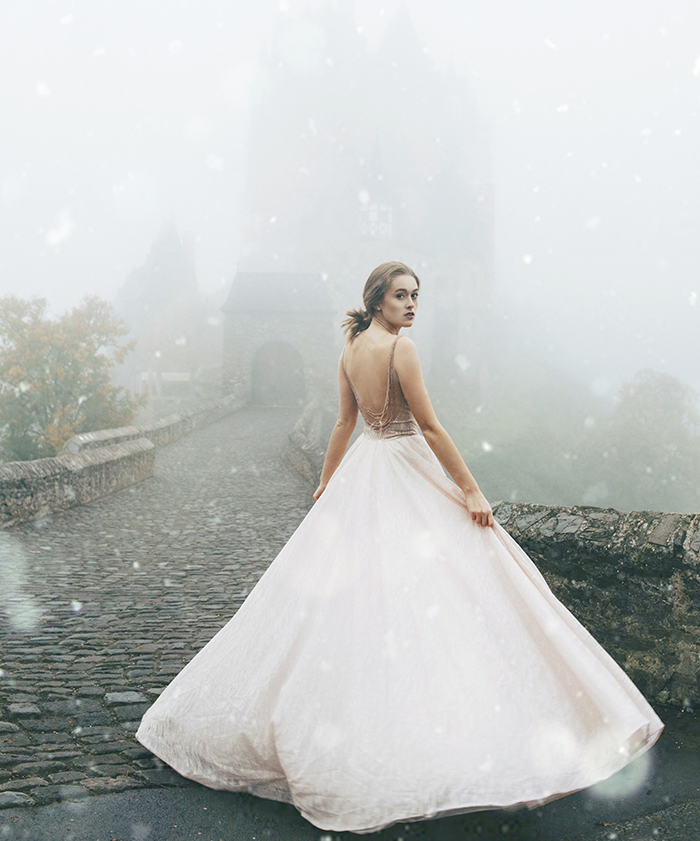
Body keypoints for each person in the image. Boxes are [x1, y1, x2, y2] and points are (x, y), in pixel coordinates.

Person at [136, 260, 663, 834]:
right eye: (401, 296)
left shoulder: (350, 348)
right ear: (377, 299)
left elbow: (343, 424)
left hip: (367, 465)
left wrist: (328, 480)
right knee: (445, 584)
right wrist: (471, 488)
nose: (412, 305)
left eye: (416, 296)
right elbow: (431, 428)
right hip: (405, 463)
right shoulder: (400, 351)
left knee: (357, 593)